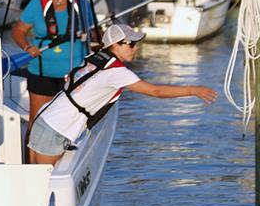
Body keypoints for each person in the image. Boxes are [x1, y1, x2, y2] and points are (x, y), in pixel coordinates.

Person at [28, 24, 217, 165]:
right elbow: (156, 91)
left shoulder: (94, 58)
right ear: (115, 46)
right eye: (131, 44)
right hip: (56, 129)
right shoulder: (117, 73)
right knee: (41, 190)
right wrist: (193, 90)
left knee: (34, 184)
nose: (136, 48)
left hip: (44, 118)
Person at [12, 0, 92, 127]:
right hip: (42, 73)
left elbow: (94, 32)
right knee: (37, 120)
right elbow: (18, 31)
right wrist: (27, 47)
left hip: (74, 73)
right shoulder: (36, 4)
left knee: (72, 120)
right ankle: (31, 153)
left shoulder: (81, 3)